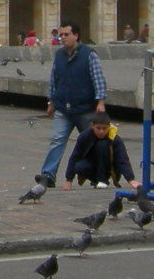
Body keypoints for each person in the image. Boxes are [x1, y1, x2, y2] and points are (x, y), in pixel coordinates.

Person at [37, 21, 107, 188]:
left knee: (93, 143)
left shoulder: (89, 54)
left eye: (66, 35)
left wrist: (101, 102)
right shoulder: (59, 55)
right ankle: (48, 175)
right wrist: (51, 101)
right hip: (63, 107)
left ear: (76, 35)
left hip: (85, 108)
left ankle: (98, 175)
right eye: (61, 35)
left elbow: (98, 80)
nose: (63, 38)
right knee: (57, 140)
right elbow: (54, 80)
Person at [63, 112, 138, 190]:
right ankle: (96, 180)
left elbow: (123, 159)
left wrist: (131, 180)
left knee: (102, 145)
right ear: (92, 126)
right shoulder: (84, 136)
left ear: (109, 127)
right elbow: (75, 157)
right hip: (92, 163)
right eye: (98, 128)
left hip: (110, 166)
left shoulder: (115, 139)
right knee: (79, 166)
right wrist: (69, 180)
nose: (101, 131)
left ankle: (103, 180)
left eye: (104, 128)